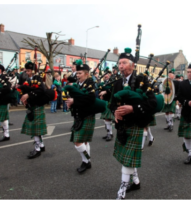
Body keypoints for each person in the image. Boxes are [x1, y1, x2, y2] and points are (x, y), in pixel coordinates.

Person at [105, 48, 157, 200]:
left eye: (124, 63)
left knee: (127, 159)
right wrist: (115, 111)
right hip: (122, 126)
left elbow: (152, 103)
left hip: (135, 124)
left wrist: (132, 108)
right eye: (119, 63)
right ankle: (135, 181)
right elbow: (112, 103)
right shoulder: (118, 83)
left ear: (133, 65)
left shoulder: (142, 80)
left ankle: (122, 188)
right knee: (127, 158)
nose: (121, 66)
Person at [65, 59, 96, 174]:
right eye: (77, 73)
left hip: (87, 115)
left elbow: (90, 99)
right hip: (78, 115)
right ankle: (87, 161)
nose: (77, 75)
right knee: (84, 141)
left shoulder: (90, 83)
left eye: (80, 73)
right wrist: (70, 103)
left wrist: (75, 100)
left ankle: (86, 160)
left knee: (77, 142)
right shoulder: (78, 84)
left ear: (86, 74)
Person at [19, 61, 54, 159]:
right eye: (26, 70)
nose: (27, 72)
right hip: (32, 106)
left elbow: (41, 90)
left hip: (38, 105)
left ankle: (37, 149)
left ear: (33, 70)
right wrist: (24, 98)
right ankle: (41, 146)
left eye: (29, 70)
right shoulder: (27, 79)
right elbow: (25, 90)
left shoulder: (37, 78)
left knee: (35, 130)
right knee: (36, 129)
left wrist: (28, 95)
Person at [98, 69, 115, 141]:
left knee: (107, 119)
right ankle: (109, 133)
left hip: (110, 102)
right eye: (105, 74)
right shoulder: (102, 84)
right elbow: (100, 90)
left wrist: (106, 92)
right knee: (105, 119)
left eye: (107, 74)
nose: (106, 75)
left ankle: (110, 134)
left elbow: (113, 90)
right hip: (104, 102)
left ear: (110, 75)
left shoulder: (112, 83)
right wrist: (101, 95)